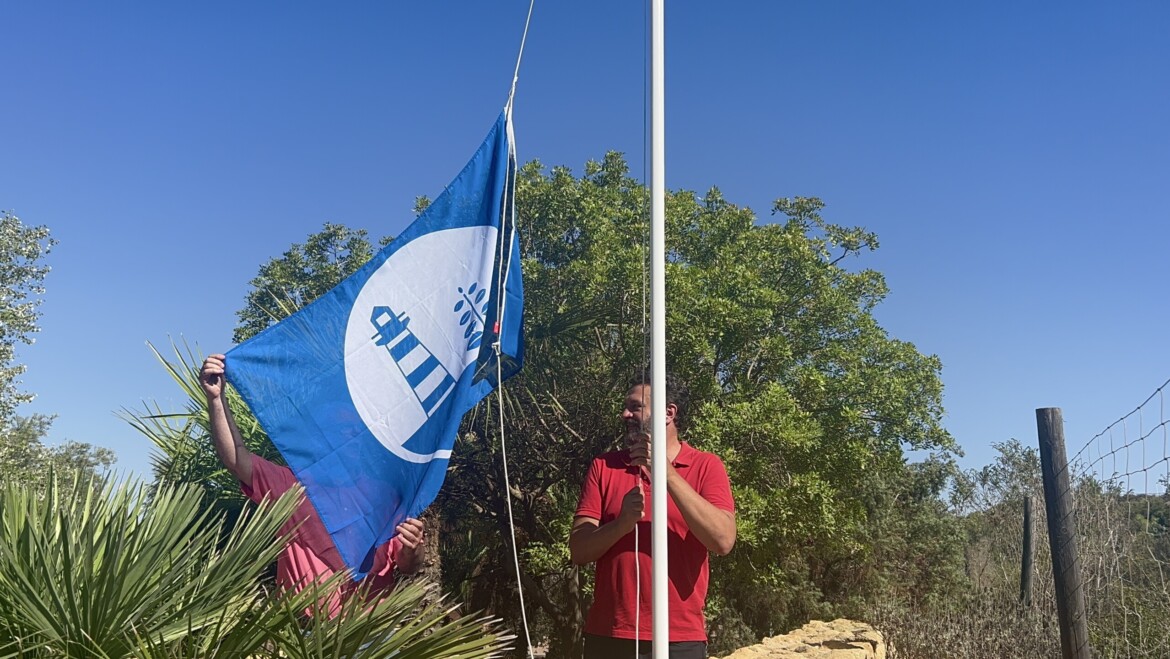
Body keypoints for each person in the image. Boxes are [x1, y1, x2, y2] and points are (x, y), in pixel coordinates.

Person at [200, 353, 425, 616]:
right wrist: (216, 399)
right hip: (303, 637)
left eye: (351, 431)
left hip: (371, 637)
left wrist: (413, 548)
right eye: (335, 431)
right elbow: (237, 459)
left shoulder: (386, 495)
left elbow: (409, 566)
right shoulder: (289, 485)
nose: (344, 438)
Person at [570, 376, 736, 658]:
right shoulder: (604, 467)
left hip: (680, 638)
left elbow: (722, 541)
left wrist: (665, 471)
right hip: (610, 636)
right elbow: (579, 550)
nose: (625, 414)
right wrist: (621, 524)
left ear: (668, 413)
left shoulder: (706, 466)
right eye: (626, 407)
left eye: (635, 407)